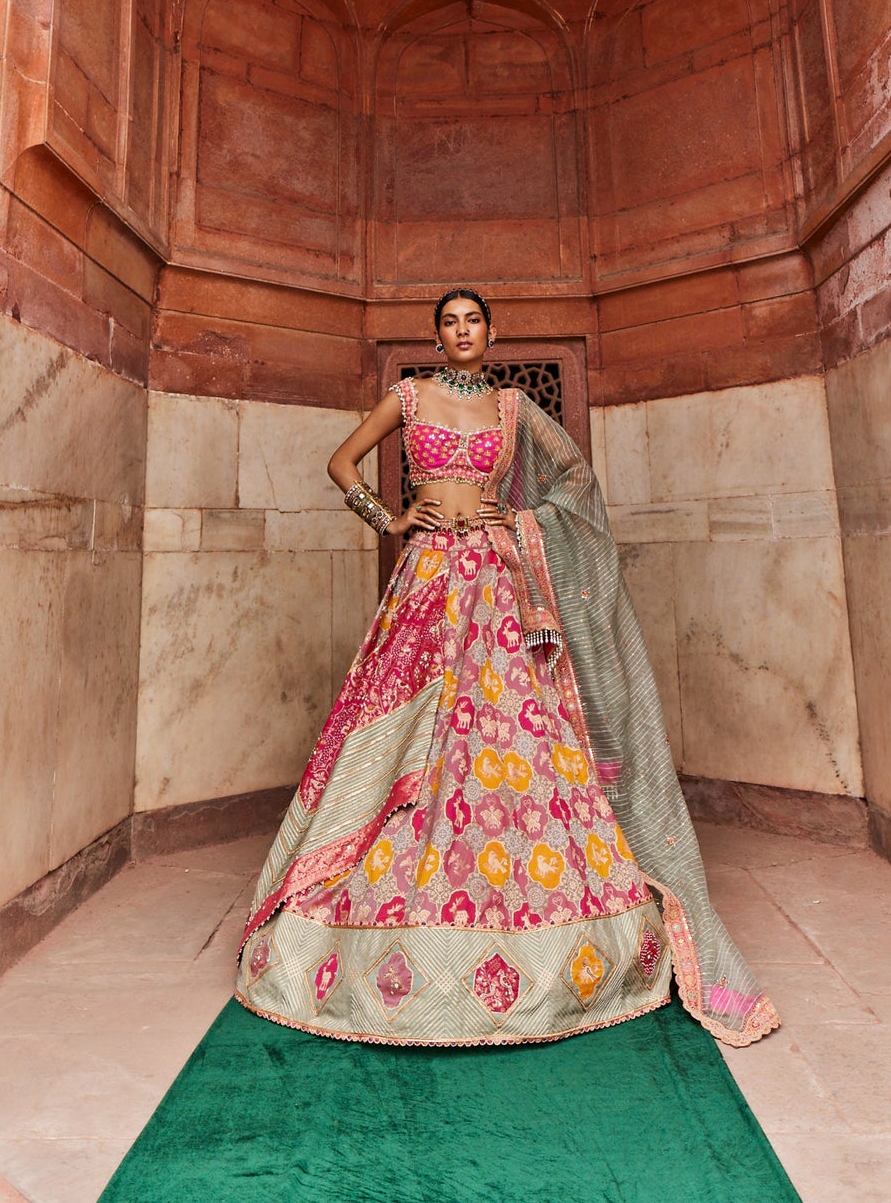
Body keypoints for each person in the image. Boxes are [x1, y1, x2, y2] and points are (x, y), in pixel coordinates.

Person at [235, 289, 779, 1048]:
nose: (461, 333)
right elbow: (340, 461)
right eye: (449, 323)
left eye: (473, 322)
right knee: (399, 741)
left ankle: (539, 918)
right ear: (437, 335)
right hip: (427, 579)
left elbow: (576, 486)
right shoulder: (409, 396)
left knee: (507, 738)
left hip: (494, 578)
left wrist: (520, 522)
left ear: (492, 333)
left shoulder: (516, 411)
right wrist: (387, 518)